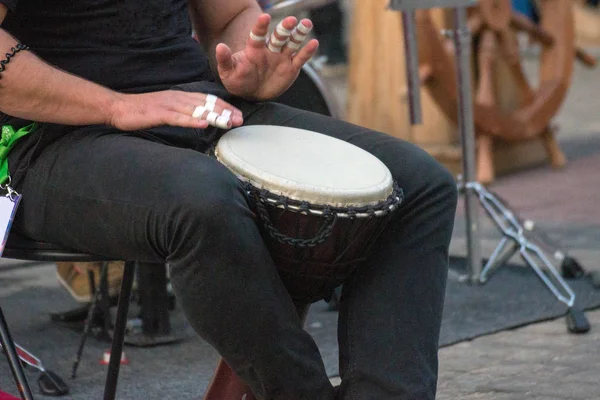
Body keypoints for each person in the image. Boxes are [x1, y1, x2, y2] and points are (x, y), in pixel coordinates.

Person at [0, 1, 457, 399]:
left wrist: (250, 65)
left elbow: (233, 13)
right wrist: (117, 105)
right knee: (200, 199)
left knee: (416, 185)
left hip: (194, 107)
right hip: (49, 137)